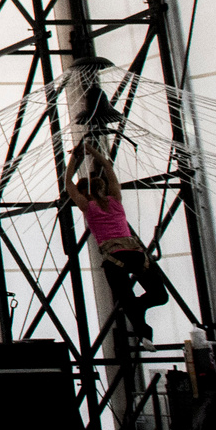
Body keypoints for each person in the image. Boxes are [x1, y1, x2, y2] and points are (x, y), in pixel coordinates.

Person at [63, 139, 170, 344]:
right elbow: (108, 167)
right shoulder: (116, 200)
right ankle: (140, 315)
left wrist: (74, 158)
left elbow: (68, 184)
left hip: (114, 257)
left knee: (128, 300)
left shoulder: (87, 206)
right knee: (159, 296)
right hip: (136, 254)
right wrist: (92, 150)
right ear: (103, 188)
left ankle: (144, 332)